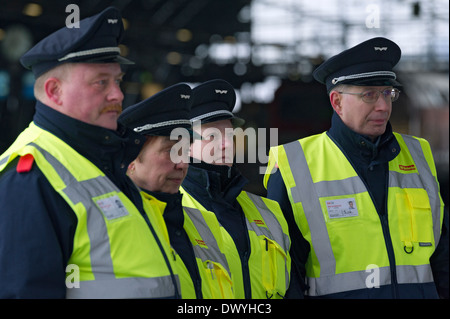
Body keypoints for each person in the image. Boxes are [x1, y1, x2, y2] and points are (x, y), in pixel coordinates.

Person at [0, 7, 180, 298]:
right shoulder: (30, 178)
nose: (118, 95)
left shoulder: (104, 160)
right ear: (54, 91)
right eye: (101, 82)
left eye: (118, 81)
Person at [264, 37, 449, 298]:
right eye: (369, 95)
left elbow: (442, 253)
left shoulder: (418, 154)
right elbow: (283, 272)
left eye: (387, 93)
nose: (384, 106)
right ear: (337, 102)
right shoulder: (292, 165)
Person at [180, 79, 297, 299]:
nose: (226, 144)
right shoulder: (169, 211)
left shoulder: (269, 212)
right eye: (213, 135)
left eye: (230, 134)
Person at [118, 83, 234, 299]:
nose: (182, 163)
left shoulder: (205, 224)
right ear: (132, 159)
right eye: (171, 150)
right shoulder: (110, 225)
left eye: (185, 150)